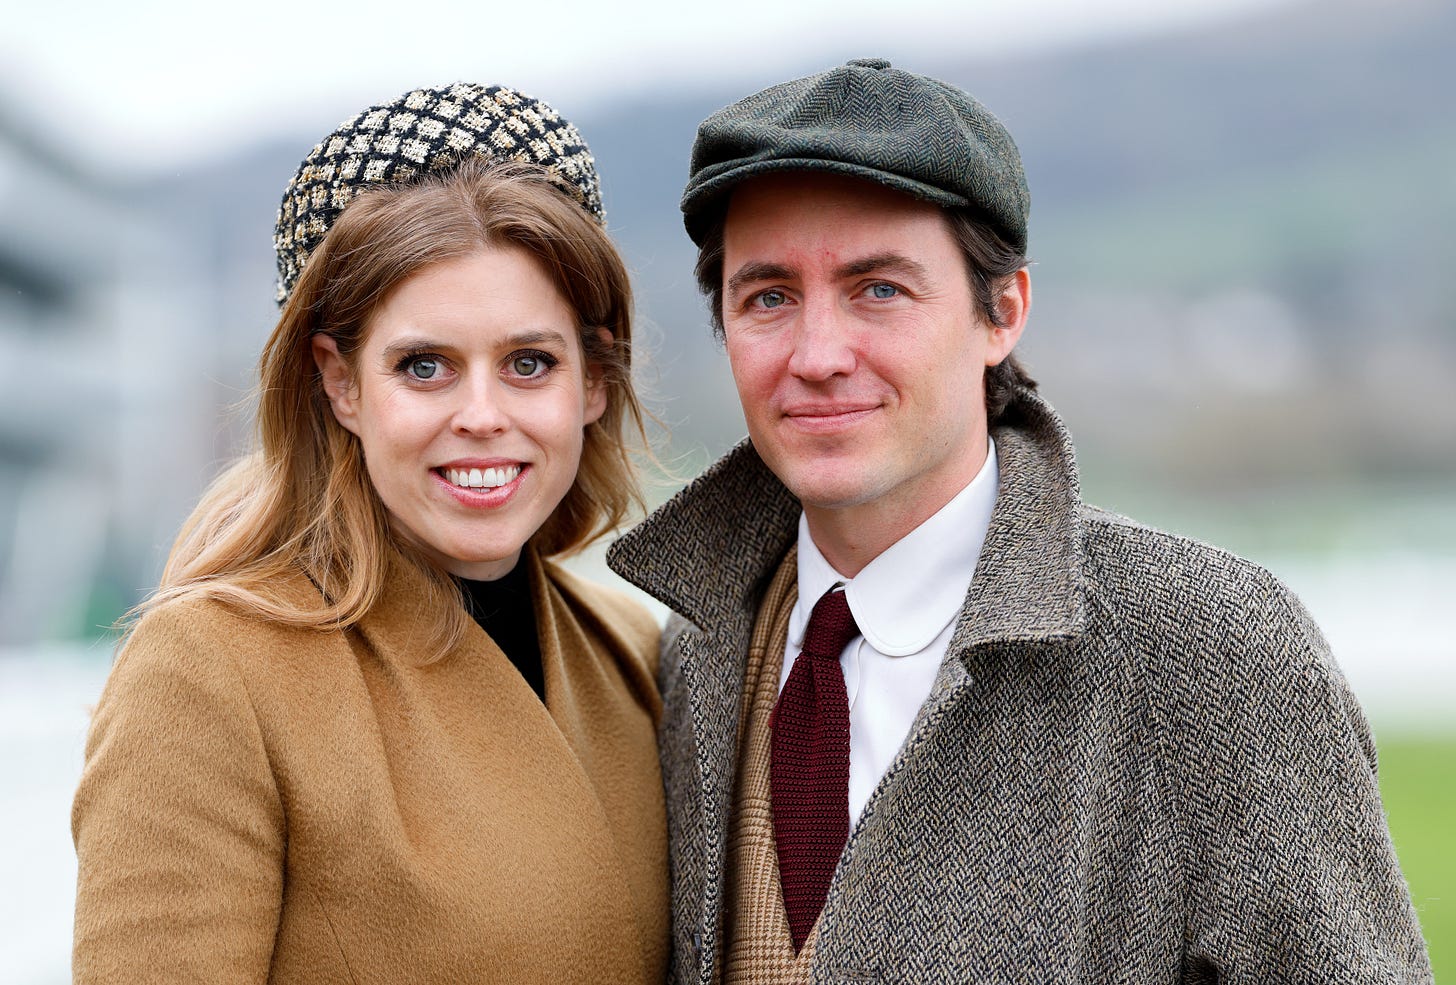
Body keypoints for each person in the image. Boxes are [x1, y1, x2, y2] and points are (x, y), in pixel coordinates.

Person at [607, 59, 1432, 983]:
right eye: (769, 297)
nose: (818, 354)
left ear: (1002, 312)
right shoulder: (693, 652)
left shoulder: (1213, 650)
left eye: (879, 288)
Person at [72, 83, 667, 983]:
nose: (482, 415)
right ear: (339, 382)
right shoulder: (207, 673)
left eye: (529, 363)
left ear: (594, 380)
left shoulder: (636, 653)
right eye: (424, 365)